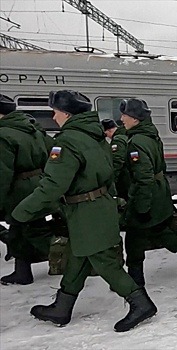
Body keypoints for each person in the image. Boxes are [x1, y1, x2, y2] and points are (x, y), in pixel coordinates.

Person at [10, 90, 156, 332]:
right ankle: (62, 307)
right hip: (97, 207)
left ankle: (141, 304)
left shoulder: (68, 141)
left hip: (87, 212)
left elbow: (53, 185)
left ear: (66, 114)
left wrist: (20, 213)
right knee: (78, 257)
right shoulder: (95, 136)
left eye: (55, 112)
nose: (54, 117)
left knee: (105, 262)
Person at [120, 99, 177, 287]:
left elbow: (143, 177)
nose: (122, 118)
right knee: (159, 230)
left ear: (135, 118)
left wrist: (141, 208)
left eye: (125, 115)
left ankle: (135, 284)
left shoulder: (136, 142)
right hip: (159, 192)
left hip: (147, 195)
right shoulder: (152, 136)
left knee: (134, 240)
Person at [0, 94, 51, 285]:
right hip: (37, 184)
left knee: (23, 230)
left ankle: (25, 272)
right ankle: (22, 271)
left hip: (18, 189)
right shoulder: (32, 129)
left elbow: (2, 173)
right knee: (24, 229)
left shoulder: (4, 135)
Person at [102, 118, 131, 200]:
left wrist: (112, 179)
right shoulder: (126, 134)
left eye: (106, 133)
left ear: (109, 130)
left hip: (124, 178)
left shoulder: (118, 140)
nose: (106, 136)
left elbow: (117, 161)